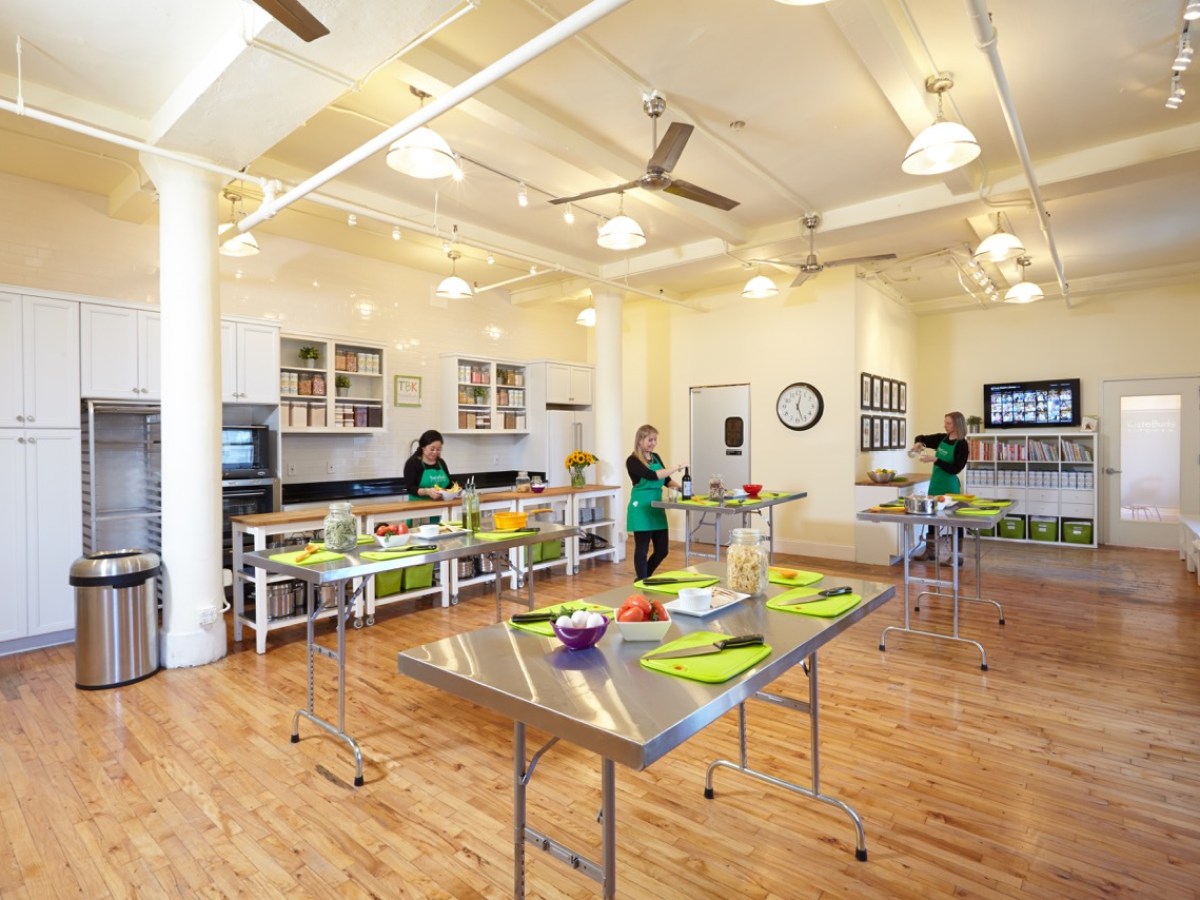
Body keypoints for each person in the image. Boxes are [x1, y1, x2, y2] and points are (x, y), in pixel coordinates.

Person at [625, 424, 687, 581]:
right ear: (640, 440)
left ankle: (644, 578)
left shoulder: (656, 457)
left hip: (657, 508)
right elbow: (652, 475)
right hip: (641, 508)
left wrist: (682, 489)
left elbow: (665, 480)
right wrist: (678, 467)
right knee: (642, 549)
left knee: (662, 550)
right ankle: (643, 580)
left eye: (655, 440)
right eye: (650, 440)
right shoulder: (632, 460)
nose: (653, 443)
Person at [913, 411, 969, 563]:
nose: (945, 426)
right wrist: (918, 443)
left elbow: (955, 469)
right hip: (935, 484)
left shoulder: (962, 445)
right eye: (945, 422)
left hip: (950, 487)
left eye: (948, 423)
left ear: (957, 425)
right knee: (932, 520)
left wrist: (935, 460)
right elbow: (921, 437)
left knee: (955, 521)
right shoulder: (941, 438)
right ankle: (930, 552)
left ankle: (957, 556)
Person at [405, 429, 453, 501]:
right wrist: (427, 492)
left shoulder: (441, 462)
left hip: (441, 505)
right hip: (419, 506)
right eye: (432, 449)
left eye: (438, 449)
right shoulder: (412, 463)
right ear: (423, 447)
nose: (435, 452)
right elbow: (410, 488)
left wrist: (457, 491)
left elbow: (449, 485)